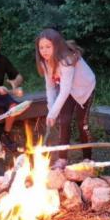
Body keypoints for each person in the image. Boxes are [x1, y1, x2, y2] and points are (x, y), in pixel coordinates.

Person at [36, 28, 96, 169]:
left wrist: (53, 113)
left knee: (82, 123)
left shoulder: (66, 60)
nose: (44, 51)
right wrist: (51, 110)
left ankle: (87, 158)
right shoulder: (45, 62)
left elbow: (64, 90)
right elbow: (50, 88)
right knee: (64, 121)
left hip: (84, 89)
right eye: (41, 47)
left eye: (48, 47)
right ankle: (62, 159)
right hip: (68, 90)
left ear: (56, 46)